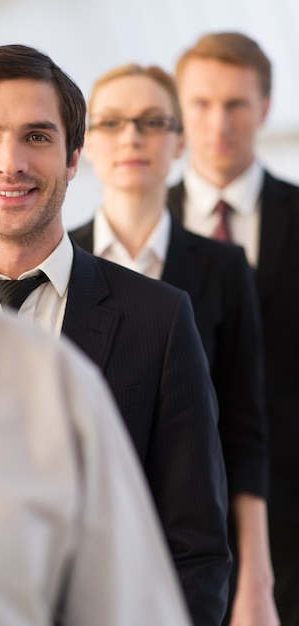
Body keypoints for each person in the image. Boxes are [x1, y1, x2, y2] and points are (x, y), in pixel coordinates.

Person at [0, 1, 197, 625]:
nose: (10, 163)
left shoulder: (86, 369)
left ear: (74, 159)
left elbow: (191, 548)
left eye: (37, 136)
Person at [69, 62, 276, 626]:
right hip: (82, 547)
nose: (132, 137)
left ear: (179, 141)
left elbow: (243, 429)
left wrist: (256, 577)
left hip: (194, 549)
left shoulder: (223, 268)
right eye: (111, 123)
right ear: (84, 145)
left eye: (152, 121)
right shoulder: (57, 263)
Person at [168, 31, 299, 626]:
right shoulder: (133, 231)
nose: (218, 122)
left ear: (266, 108)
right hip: (171, 514)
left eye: (236, 104)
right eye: (200, 103)